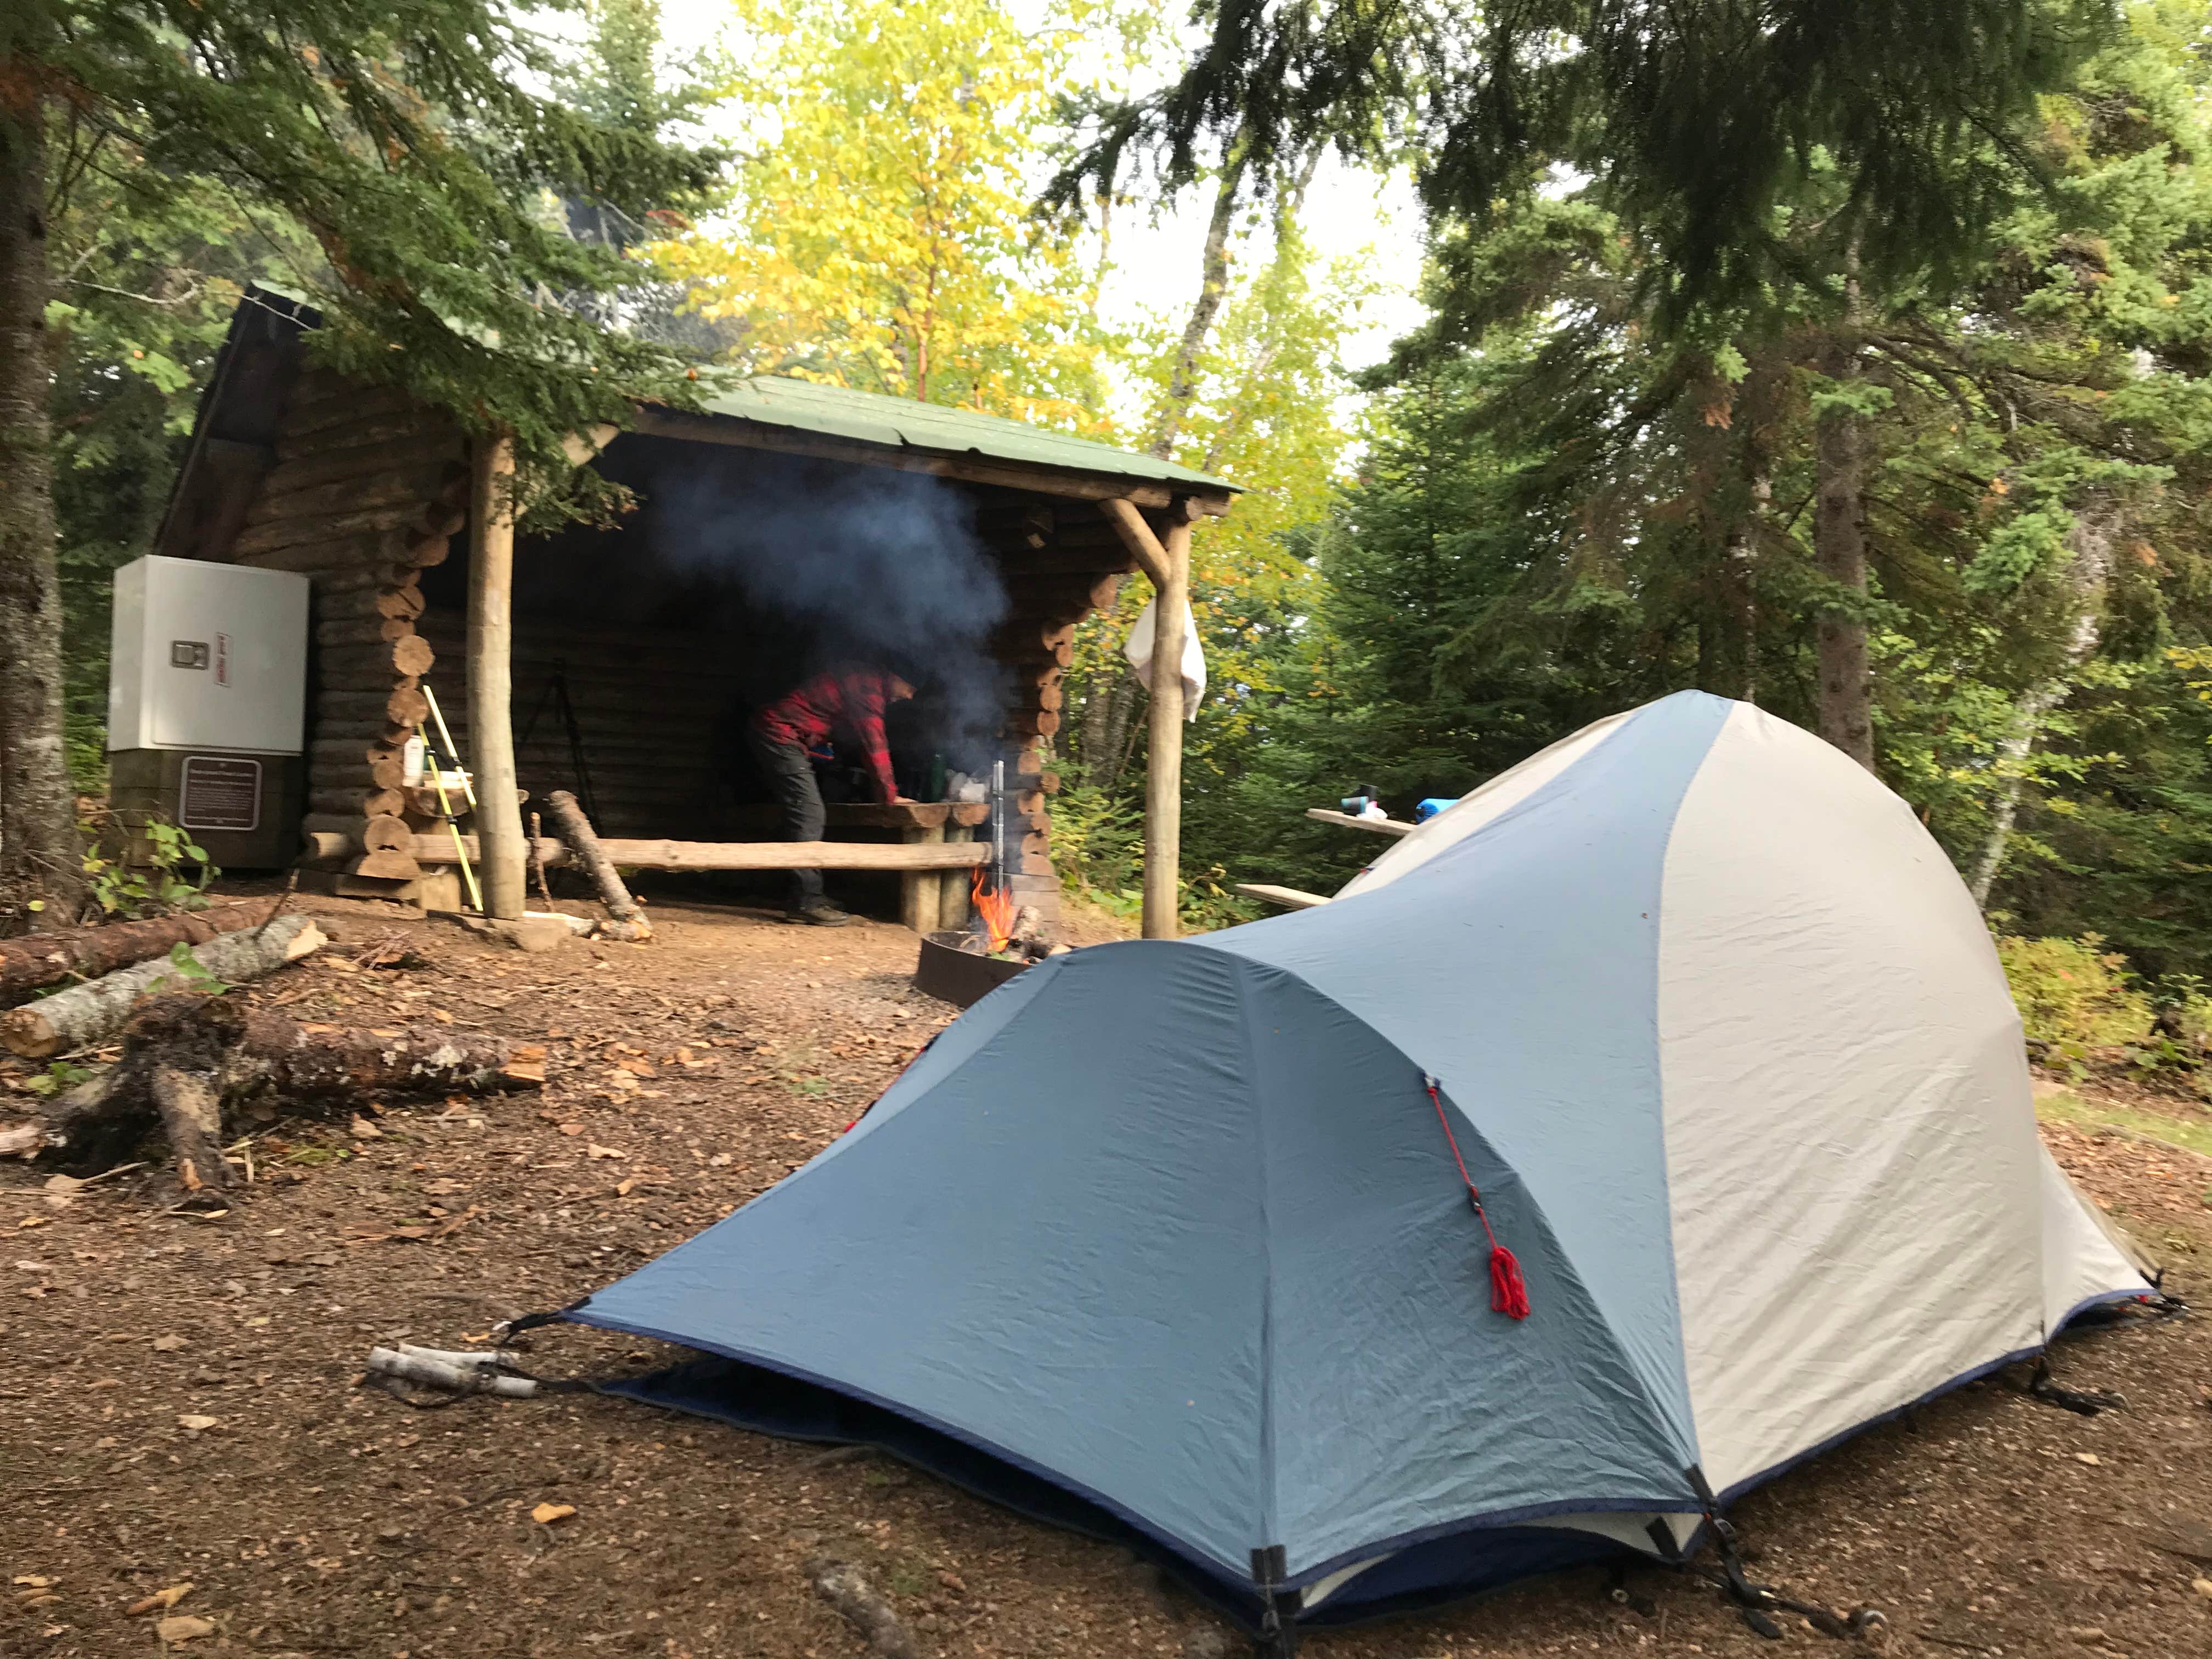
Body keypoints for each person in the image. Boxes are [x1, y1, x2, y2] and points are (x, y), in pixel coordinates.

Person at [747, 667, 916, 926]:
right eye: (910, 689)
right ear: (895, 677)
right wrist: (890, 796)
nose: (910, 697)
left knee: (805, 812)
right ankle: (806, 901)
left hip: (789, 735)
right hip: (779, 733)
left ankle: (806, 894)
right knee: (810, 814)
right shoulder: (867, 688)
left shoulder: (864, 681)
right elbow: (874, 743)